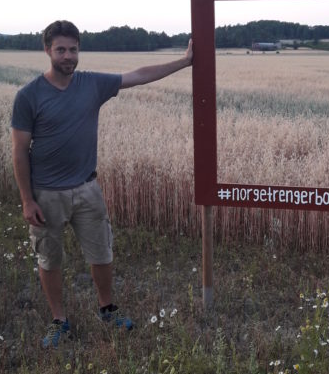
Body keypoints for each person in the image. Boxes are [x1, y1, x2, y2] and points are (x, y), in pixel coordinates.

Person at [11, 20, 193, 348]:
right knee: (49, 258)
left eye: (73, 49)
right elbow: (20, 152)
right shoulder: (29, 96)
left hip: (87, 188)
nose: (68, 56)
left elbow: (138, 76)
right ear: (47, 50)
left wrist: (184, 61)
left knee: (102, 253)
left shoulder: (92, 84)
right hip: (46, 195)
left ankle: (107, 309)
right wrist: (27, 200)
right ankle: (59, 320)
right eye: (61, 49)